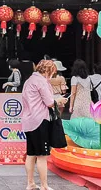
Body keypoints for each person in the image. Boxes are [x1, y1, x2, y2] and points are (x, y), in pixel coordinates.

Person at [22, 59, 68, 190]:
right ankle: (44, 185)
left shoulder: (29, 80)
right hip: (40, 120)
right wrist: (59, 100)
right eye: (53, 72)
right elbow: (49, 102)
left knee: (31, 154)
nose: (53, 75)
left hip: (28, 120)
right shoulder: (41, 82)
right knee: (42, 155)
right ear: (48, 70)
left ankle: (30, 183)